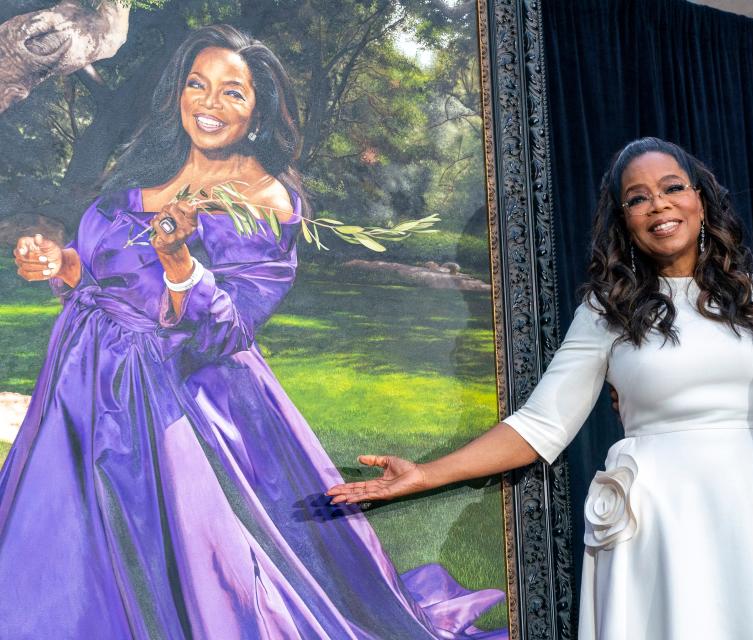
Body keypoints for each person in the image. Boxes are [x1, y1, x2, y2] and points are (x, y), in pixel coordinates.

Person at [2, 24, 504, 640]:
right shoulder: (150, 168)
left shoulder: (268, 202)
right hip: (80, 384)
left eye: (232, 92)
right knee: (64, 549)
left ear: (258, 111)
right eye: (197, 84)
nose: (209, 104)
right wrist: (60, 264)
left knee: (193, 570)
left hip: (175, 410)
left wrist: (180, 262)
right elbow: (101, 277)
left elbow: (226, 331)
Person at [329, 137, 753, 639]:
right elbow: (541, 424)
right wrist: (424, 474)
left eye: (672, 187)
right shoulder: (606, 311)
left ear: (700, 198)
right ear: (624, 221)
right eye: (637, 198)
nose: (658, 204)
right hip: (658, 522)